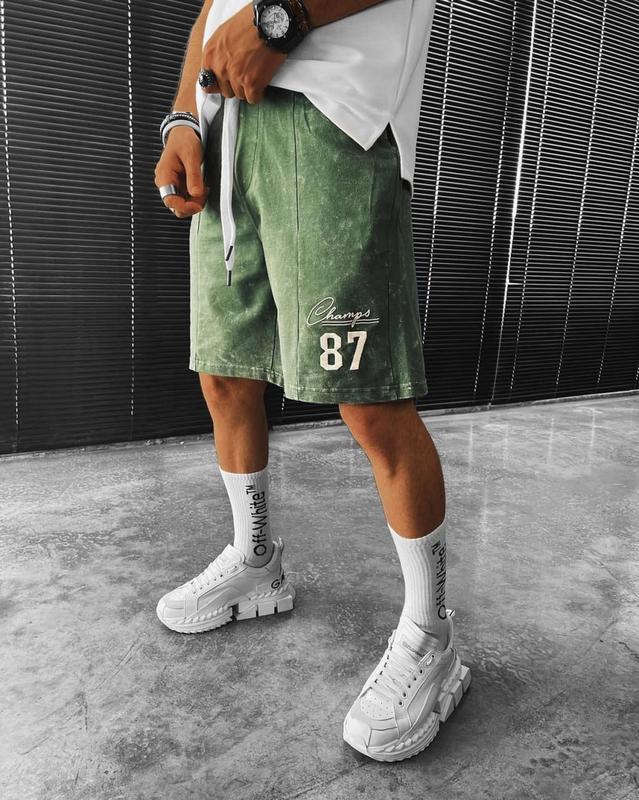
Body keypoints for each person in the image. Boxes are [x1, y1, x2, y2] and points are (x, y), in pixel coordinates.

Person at [153, 0, 471, 762]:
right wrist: (184, 119)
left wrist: (281, 19)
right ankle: (256, 559)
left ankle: (431, 635)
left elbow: (255, 16)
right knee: (225, 375)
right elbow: (212, 8)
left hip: (333, 116)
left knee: (369, 399)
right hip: (227, 129)